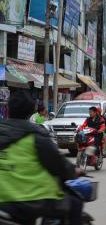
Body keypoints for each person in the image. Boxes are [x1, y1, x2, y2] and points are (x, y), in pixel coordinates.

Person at [0, 90, 84, 224]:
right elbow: (59, 165)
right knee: (75, 203)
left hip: (3, 203)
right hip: (31, 201)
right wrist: (74, 171)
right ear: (31, 112)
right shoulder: (35, 136)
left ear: (8, 109)